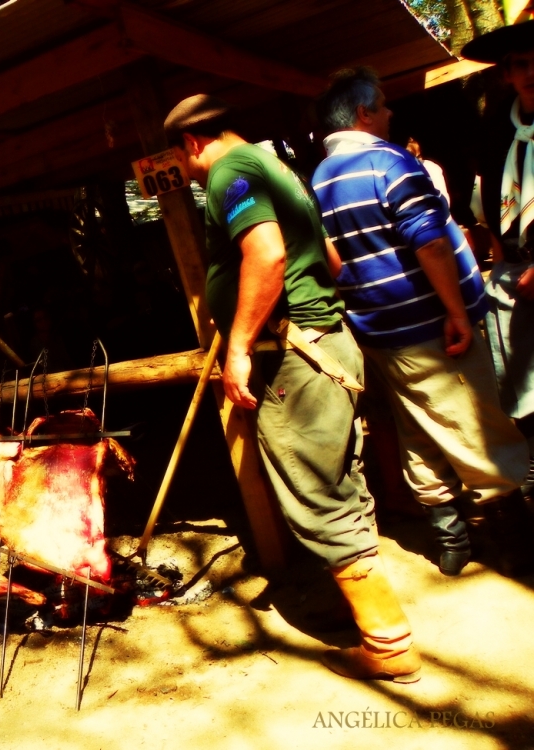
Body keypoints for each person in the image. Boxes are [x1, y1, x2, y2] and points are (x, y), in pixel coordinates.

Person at [165, 94, 420, 683]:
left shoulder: (230, 171)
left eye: (185, 159)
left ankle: (388, 643)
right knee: (339, 477)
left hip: (294, 356)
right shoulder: (279, 168)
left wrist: (237, 345)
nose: (192, 169)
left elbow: (268, 253)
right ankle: (353, 605)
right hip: (327, 343)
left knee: (313, 491)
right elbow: (329, 260)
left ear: (193, 144)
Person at [312, 67, 531, 577]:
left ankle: (450, 541)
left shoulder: (319, 179)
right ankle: (515, 544)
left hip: (380, 329)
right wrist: (456, 311)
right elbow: (429, 241)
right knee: (476, 426)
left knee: (418, 427)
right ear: (364, 114)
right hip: (430, 322)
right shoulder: (390, 162)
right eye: (384, 105)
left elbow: (334, 261)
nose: (391, 113)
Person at [463, 19, 534, 496]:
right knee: (522, 390)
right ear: (507, 73)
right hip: (514, 274)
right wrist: (502, 268)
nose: (532, 73)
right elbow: (488, 212)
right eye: (521, 65)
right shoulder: (496, 130)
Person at [404, 137, 450, 204]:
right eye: (414, 158)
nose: (419, 160)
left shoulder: (431, 167)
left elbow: (445, 201)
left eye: (419, 156)